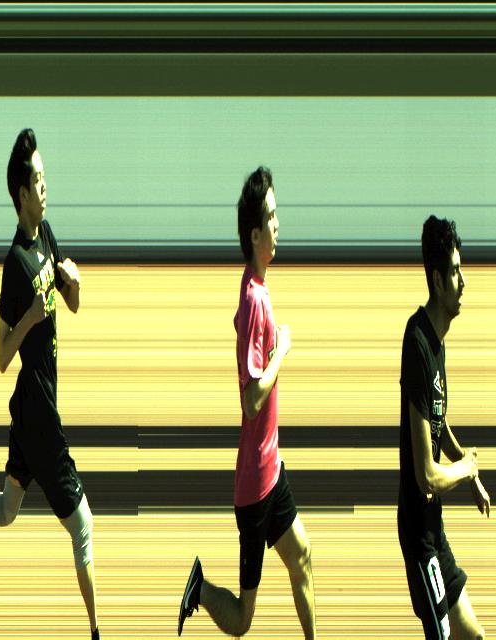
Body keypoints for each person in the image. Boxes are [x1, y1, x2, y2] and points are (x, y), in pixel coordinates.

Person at [179, 168, 321, 640]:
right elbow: (252, 398)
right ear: (255, 234)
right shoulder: (255, 299)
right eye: (272, 217)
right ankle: (199, 589)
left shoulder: (256, 288)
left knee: (302, 557)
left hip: (270, 470)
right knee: (242, 619)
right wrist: (283, 349)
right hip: (256, 488)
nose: (279, 225)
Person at [0, 129, 104, 637]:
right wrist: (30, 315)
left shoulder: (47, 234)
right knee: (84, 527)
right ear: (21, 193)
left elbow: (71, 305)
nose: (45, 186)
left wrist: (74, 282)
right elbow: (1, 355)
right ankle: (97, 632)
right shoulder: (14, 262)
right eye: (38, 180)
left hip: (34, 406)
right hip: (39, 416)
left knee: (7, 510)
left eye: (45, 177)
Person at [400, 215, 496, 640]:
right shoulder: (417, 341)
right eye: (456, 272)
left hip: (433, 526)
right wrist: (466, 468)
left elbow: (435, 419)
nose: (464, 281)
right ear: (438, 280)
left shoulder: (437, 343)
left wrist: (466, 467)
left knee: (474, 636)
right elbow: (427, 476)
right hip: (419, 534)